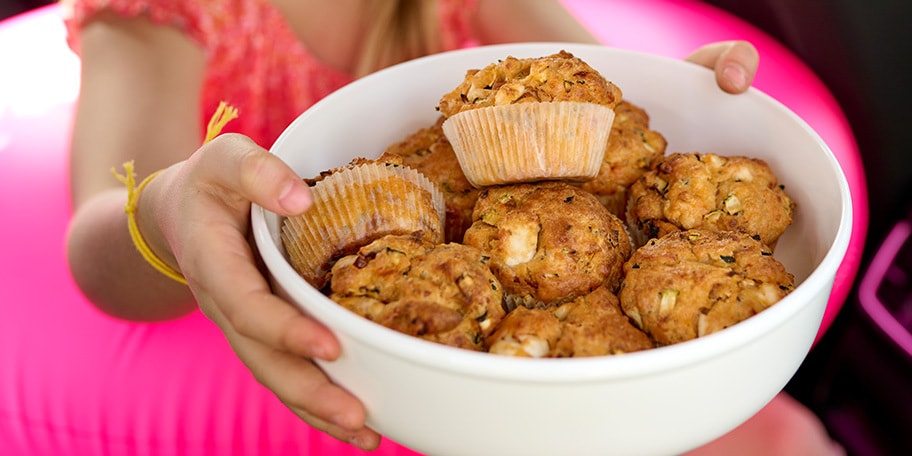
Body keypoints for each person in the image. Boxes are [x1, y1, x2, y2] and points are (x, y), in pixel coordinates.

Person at [60, 0, 838, 453]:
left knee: (784, 441)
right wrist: (170, 207)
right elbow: (96, 246)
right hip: (340, 369)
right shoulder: (158, 15)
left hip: (594, 383)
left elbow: (599, 108)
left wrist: (682, 106)